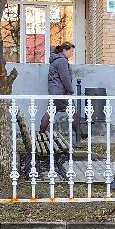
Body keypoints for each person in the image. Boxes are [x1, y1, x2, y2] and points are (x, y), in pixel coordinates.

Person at [40, 41, 76, 179]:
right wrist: (71, 90)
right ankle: (80, 133)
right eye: (71, 51)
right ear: (65, 50)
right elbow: (65, 77)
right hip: (60, 92)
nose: (72, 54)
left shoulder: (56, 60)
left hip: (56, 91)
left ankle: (41, 132)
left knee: (53, 111)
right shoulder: (61, 61)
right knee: (71, 110)